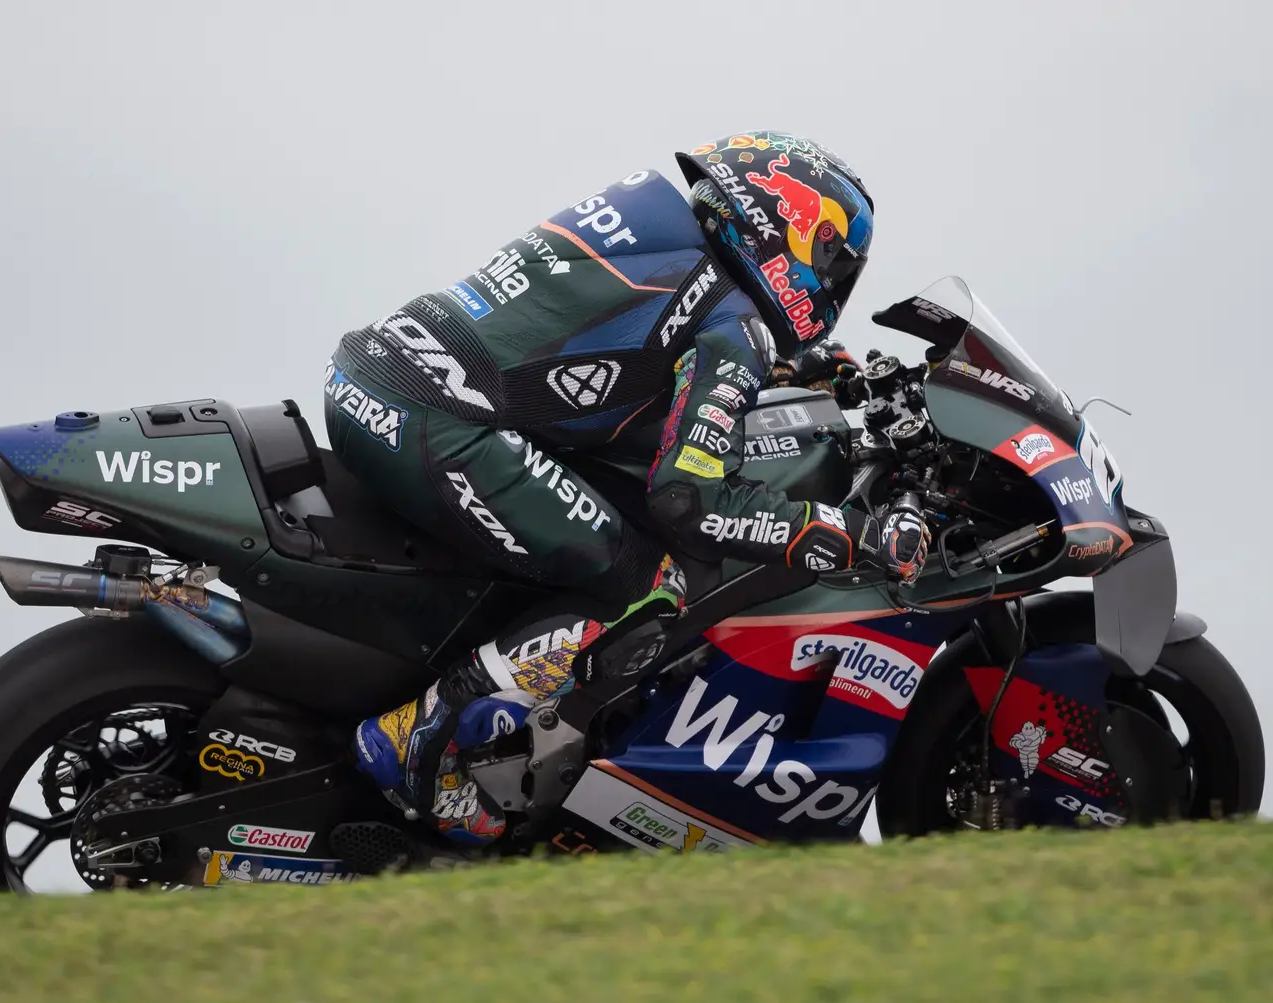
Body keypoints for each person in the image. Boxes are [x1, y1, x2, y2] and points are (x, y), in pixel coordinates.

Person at [321, 130, 929, 846]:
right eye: (833, 263)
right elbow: (689, 499)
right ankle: (416, 739)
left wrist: (804, 367)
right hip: (439, 423)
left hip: (375, 375)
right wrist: (849, 535)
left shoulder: (652, 214)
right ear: (794, 233)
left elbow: (625, 341)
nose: (832, 287)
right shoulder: (737, 322)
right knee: (650, 584)